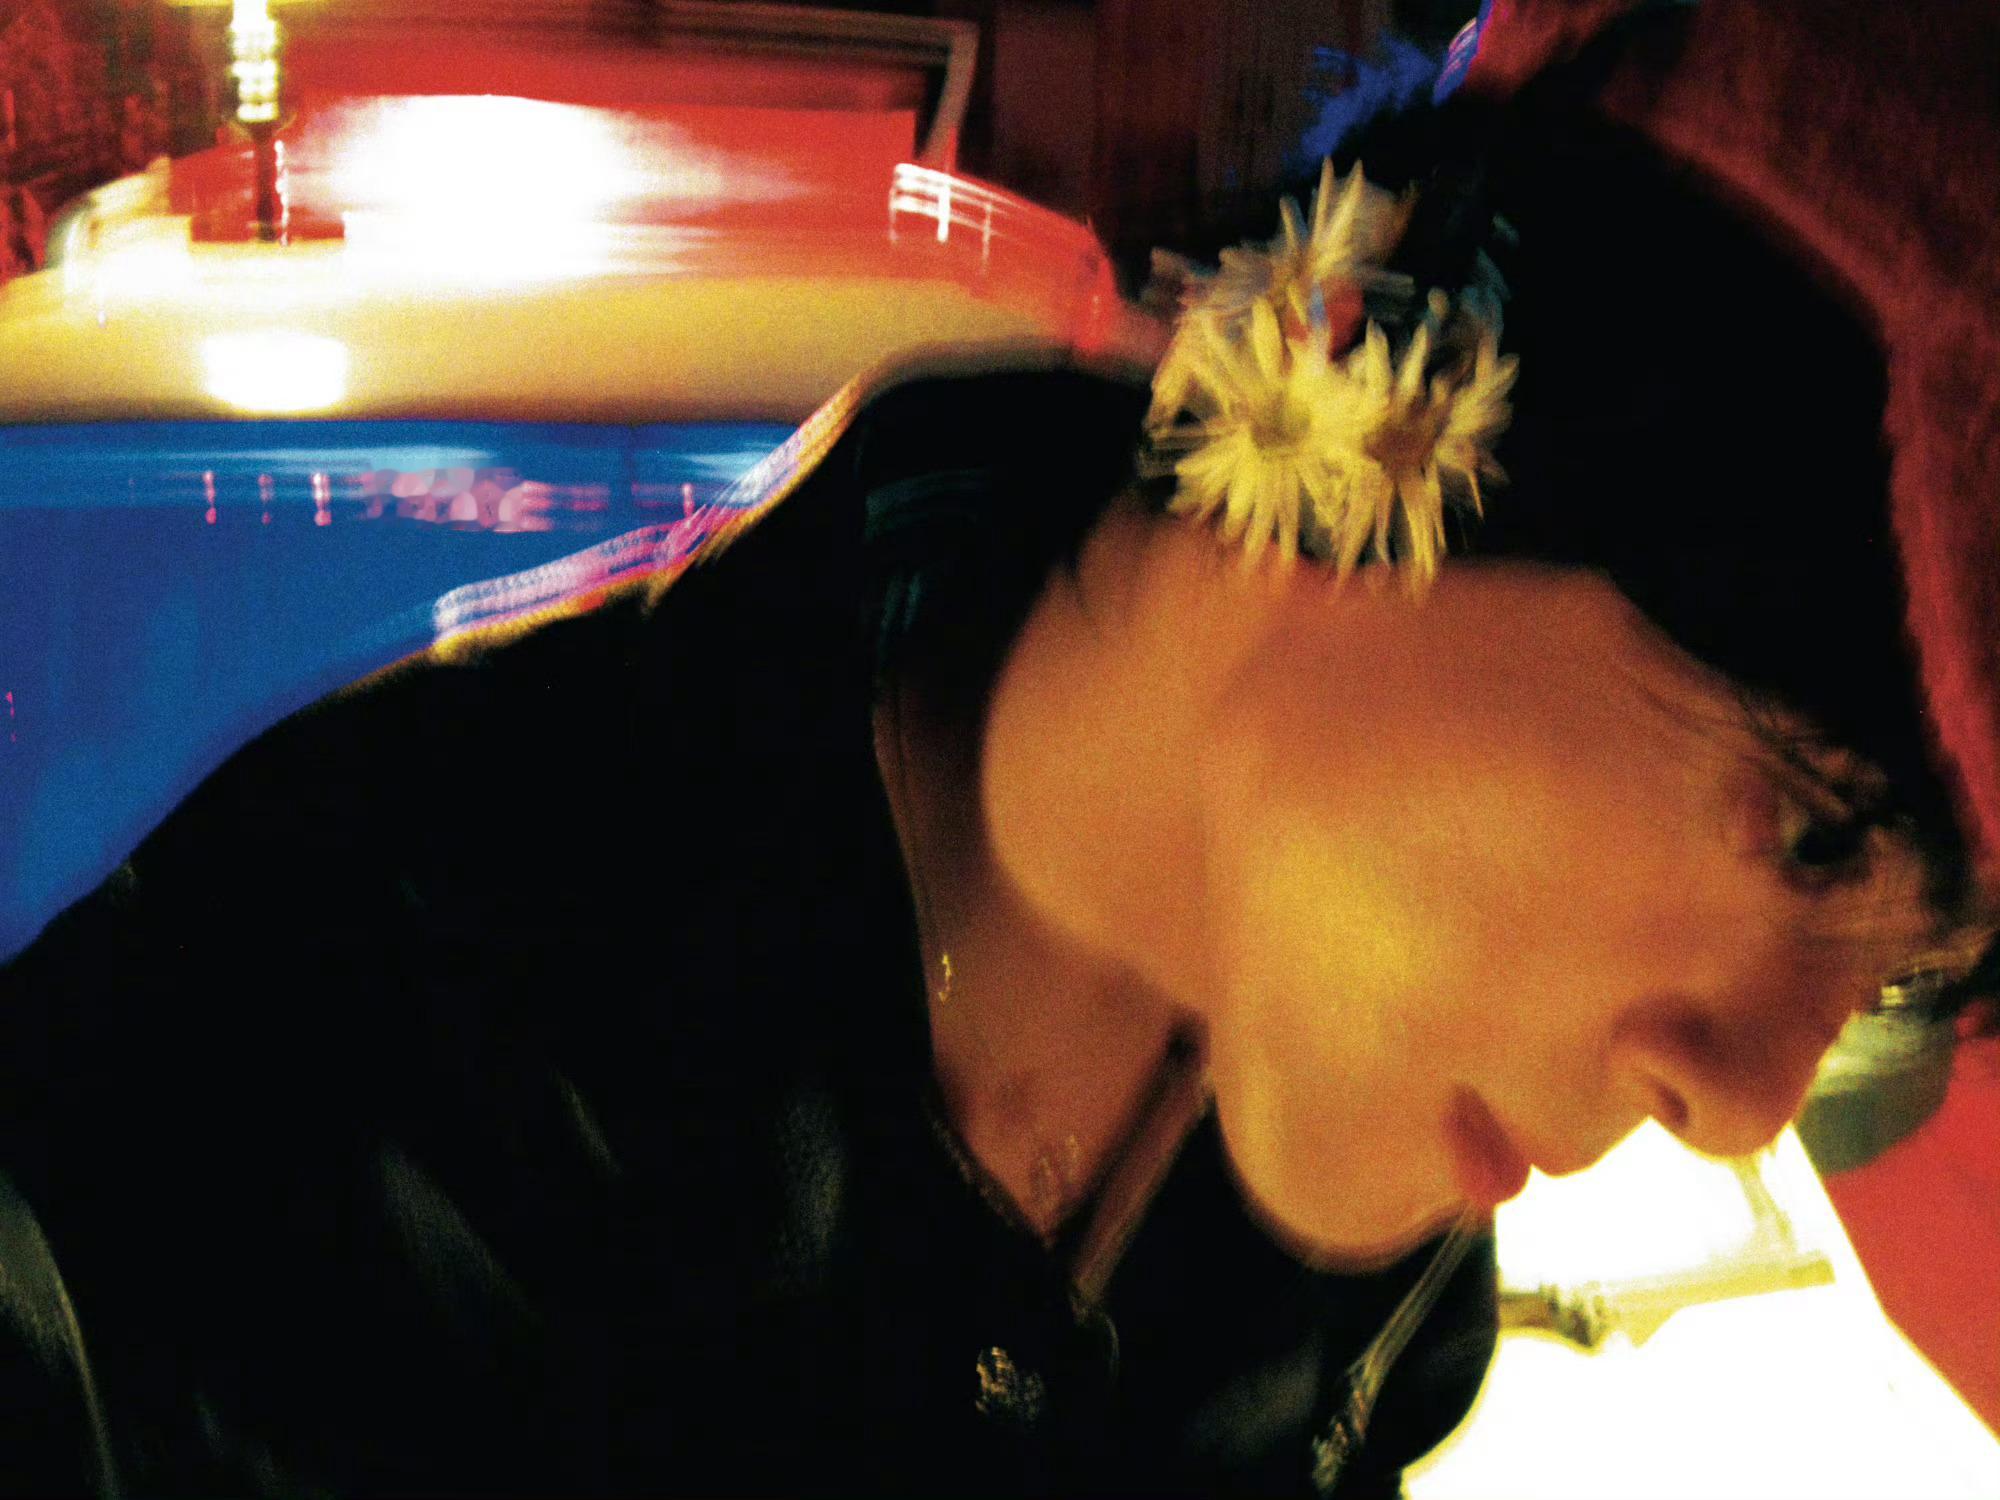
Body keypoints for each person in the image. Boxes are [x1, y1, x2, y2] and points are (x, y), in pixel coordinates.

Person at [0, 0, 1995, 1494]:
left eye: (1901, 972)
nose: (1750, 1105)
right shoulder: (308, 1074)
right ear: (1377, 405)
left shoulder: (1357, 1211)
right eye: (1813, 834)